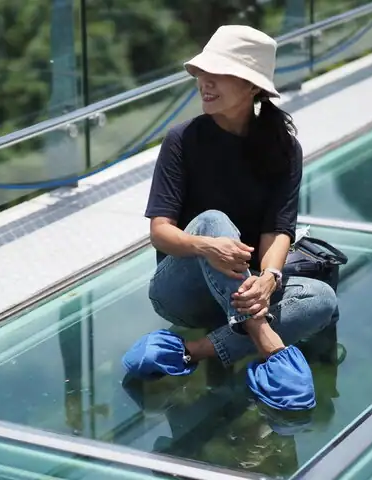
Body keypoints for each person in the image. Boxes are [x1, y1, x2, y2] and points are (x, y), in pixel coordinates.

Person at [143, 26, 339, 374]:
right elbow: (160, 233)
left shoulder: (283, 147)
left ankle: (197, 350)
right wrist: (207, 246)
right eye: (203, 72)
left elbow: (278, 230)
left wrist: (269, 279)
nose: (205, 82)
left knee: (322, 299)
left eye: (218, 74)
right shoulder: (182, 139)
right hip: (180, 292)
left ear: (252, 86)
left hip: (243, 291)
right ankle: (260, 332)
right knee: (212, 221)